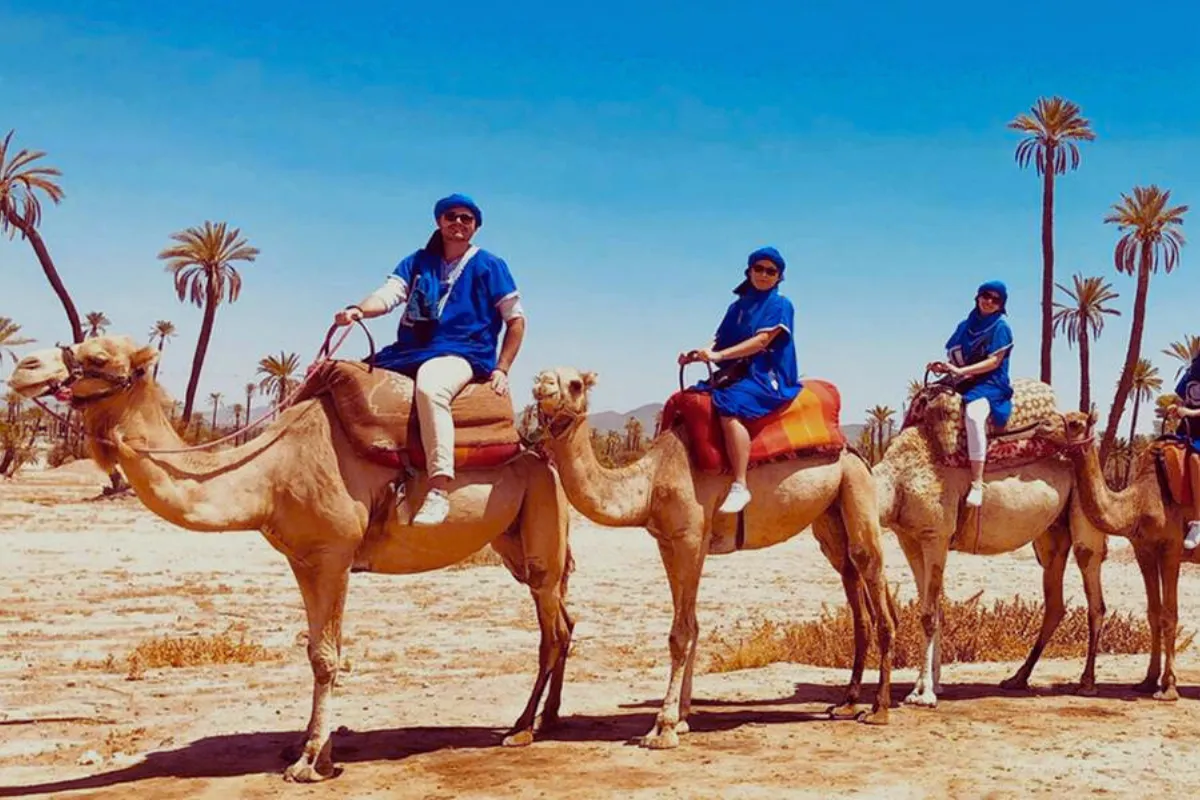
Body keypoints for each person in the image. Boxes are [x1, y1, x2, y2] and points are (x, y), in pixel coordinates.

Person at [334, 193, 525, 525]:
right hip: (410, 350)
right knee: (345, 378)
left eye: (466, 218)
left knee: (431, 389)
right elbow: (389, 295)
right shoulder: (418, 263)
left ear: (476, 226)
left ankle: (439, 487)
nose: (458, 223)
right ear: (439, 221)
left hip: (463, 352)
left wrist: (502, 368)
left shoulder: (490, 266)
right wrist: (358, 310)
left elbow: (516, 321)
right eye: (451, 216)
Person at [678, 247, 801, 514]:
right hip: (737, 370)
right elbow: (718, 338)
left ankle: (740, 484)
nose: (764, 275)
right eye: (759, 269)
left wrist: (719, 355)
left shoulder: (781, 305)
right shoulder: (737, 307)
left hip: (767, 374)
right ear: (749, 271)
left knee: (728, 407)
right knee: (690, 400)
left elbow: (761, 341)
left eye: (771, 271)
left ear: (779, 277)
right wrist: (697, 354)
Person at [926, 280, 1014, 508]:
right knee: (924, 401)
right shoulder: (965, 326)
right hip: (963, 379)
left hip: (990, 383)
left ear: (1001, 304)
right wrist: (943, 368)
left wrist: (961, 371)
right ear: (978, 297)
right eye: (986, 296)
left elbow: (994, 362)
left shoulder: (1001, 327)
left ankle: (977, 482)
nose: (989, 302)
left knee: (974, 415)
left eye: (995, 299)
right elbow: (955, 357)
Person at [1167, 352, 1200, 549]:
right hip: (1186, 431)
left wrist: (1191, 412)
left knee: (1195, 459)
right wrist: (1176, 407)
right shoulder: (1192, 371)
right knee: (1160, 452)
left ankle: (1198, 521)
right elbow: (1182, 399)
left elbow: (1190, 408)